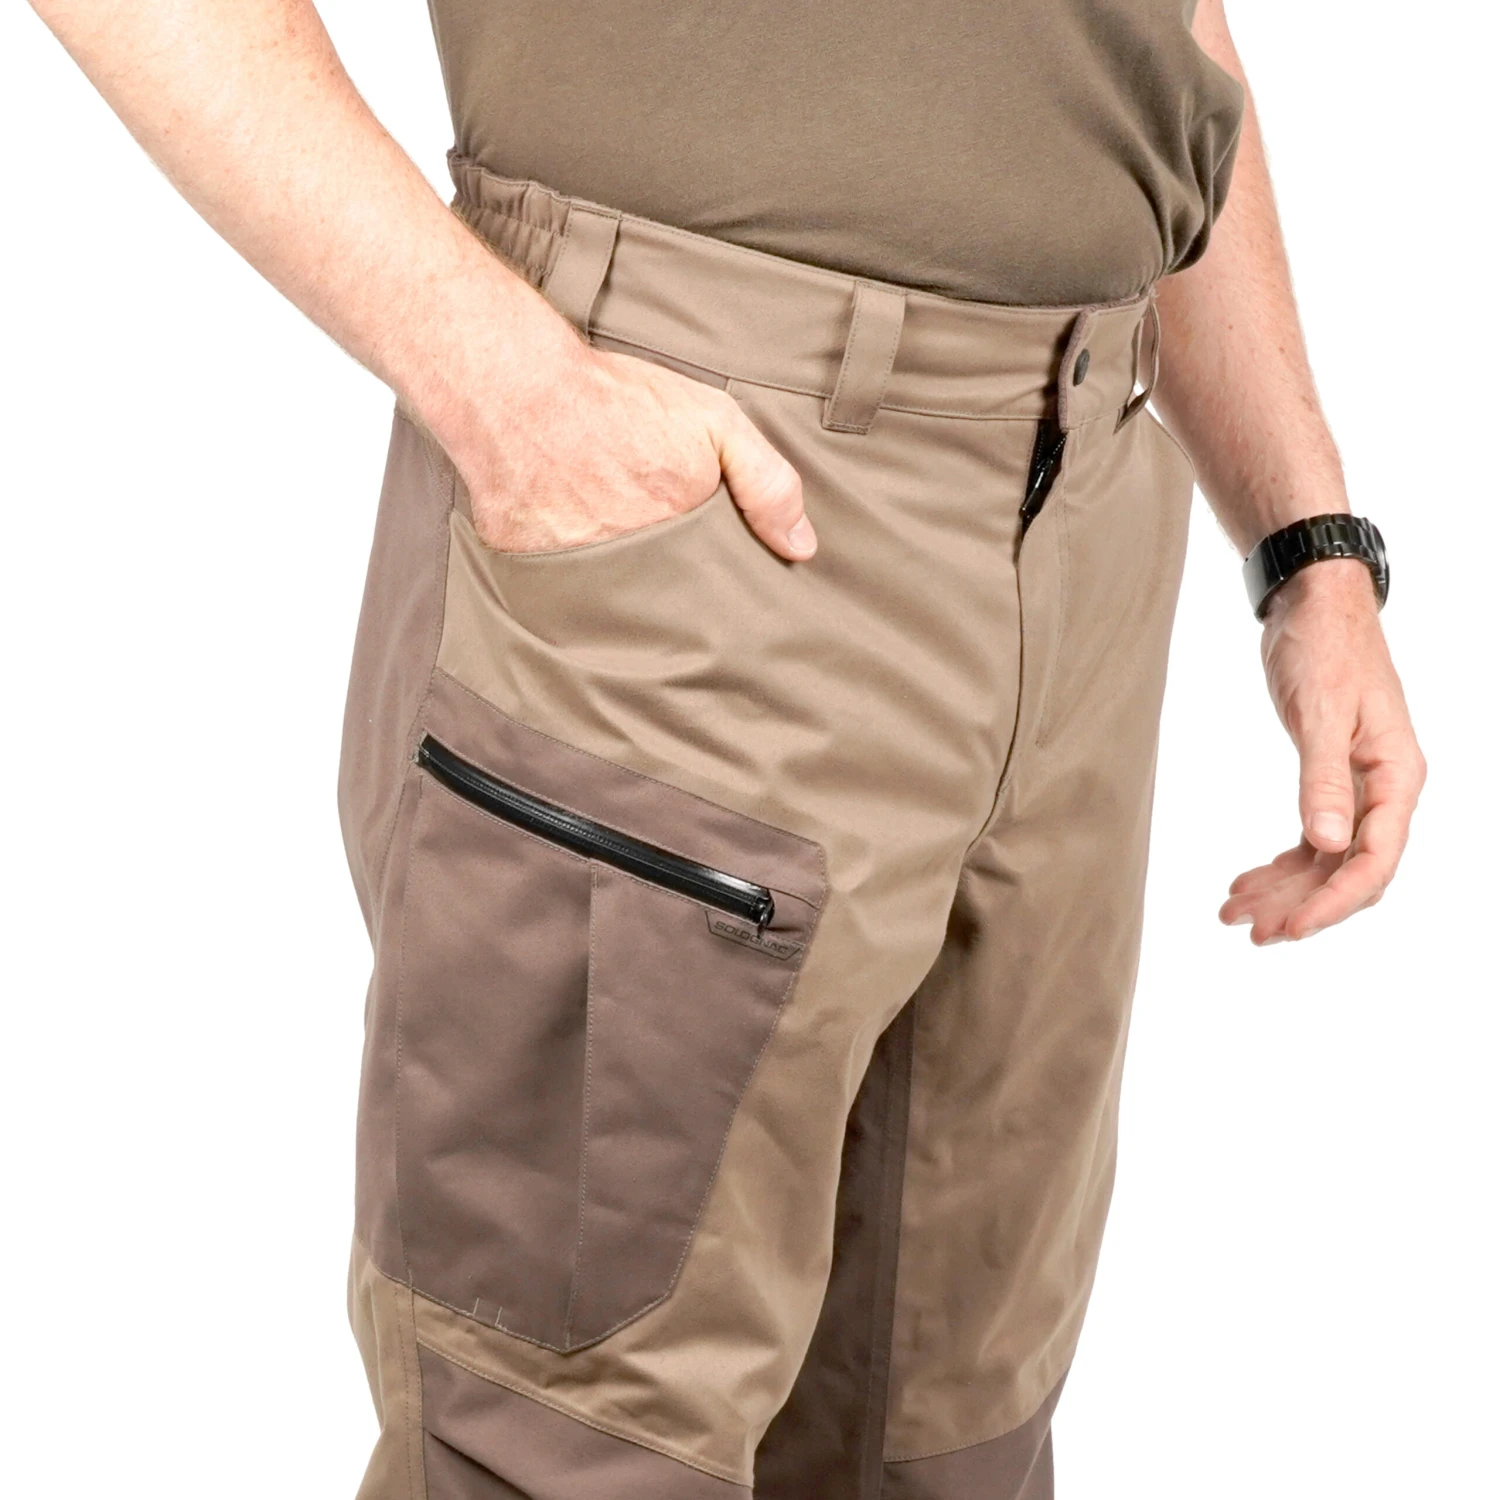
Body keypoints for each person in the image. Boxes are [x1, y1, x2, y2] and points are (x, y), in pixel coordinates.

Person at [30, 2, 1425, 1496]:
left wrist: (1309, 548)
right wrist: (508, 388)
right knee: (579, 1443)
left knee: (951, 1433)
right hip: (707, 486)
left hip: (1088, 510)